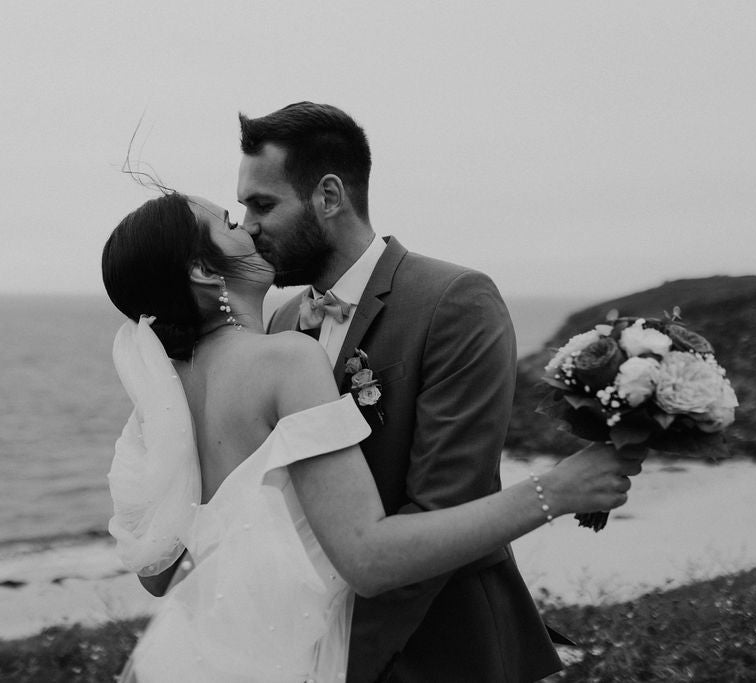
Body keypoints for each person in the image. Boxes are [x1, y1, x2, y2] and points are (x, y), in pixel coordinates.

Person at [102, 191, 645, 682]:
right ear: (201, 269)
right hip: (317, 660)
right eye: (228, 222)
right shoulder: (285, 359)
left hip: (221, 659)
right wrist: (560, 490)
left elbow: (160, 571)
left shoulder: (163, 397)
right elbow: (367, 560)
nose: (249, 228)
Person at [236, 101, 561, 682]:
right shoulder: (283, 322)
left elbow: (447, 507)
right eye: (242, 207)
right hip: (314, 641)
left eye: (262, 204)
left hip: (443, 648)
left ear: (329, 196)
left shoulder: (454, 300)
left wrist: (343, 660)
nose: (248, 226)